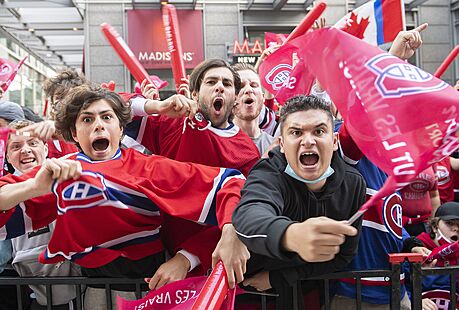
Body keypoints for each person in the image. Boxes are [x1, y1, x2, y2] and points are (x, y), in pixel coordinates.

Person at [0, 85, 248, 309]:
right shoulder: (63, 170)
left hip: (149, 291)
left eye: (107, 117)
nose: (98, 125)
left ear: (120, 129)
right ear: (74, 134)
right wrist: (33, 187)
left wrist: (221, 237)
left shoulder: (150, 168)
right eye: (87, 119)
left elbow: (232, 183)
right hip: (91, 293)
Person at [232, 95, 365, 309]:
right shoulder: (268, 173)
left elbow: (344, 256)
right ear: (282, 144)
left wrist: (280, 276)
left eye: (319, 131)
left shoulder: (353, 184)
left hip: (308, 292)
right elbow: (249, 216)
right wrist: (290, 235)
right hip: (251, 294)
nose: (308, 140)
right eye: (296, 132)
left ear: (334, 141)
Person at [5, 119, 81, 309]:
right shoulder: (5, 187)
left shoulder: (67, 172)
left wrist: (61, 130)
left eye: (33, 143)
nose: (26, 150)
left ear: (46, 149)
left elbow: (98, 155)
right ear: (7, 156)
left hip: (76, 286)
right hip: (27, 287)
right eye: (16, 146)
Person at [416, 202, 459, 309]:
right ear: (434, 226)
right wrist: (415, 300)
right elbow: (400, 288)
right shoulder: (416, 250)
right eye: (449, 223)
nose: (456, 229)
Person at [232, 63, 274, 155]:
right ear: (230, 97)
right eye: (240, 86)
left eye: (254, 85)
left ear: (263, 98)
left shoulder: (276, 148)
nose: (248, 90)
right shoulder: (220, 145)